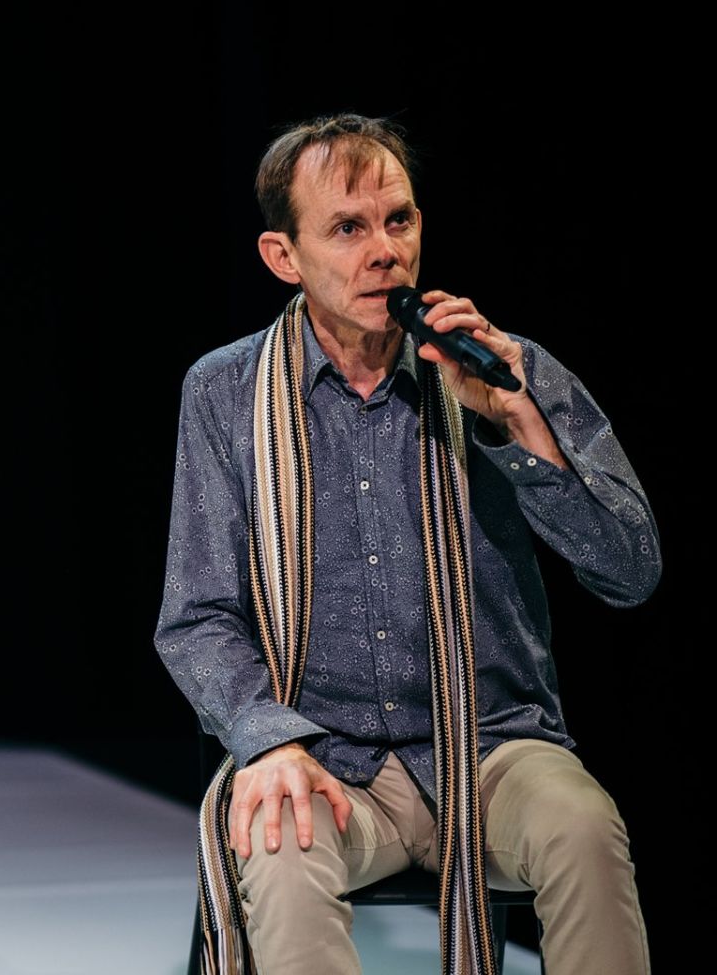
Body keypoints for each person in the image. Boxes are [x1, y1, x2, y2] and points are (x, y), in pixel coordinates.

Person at [155, 114, 659, 974]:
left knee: (581, 825)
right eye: (348, 229)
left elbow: (629, 571)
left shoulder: (503, 367)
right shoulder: (225, 391)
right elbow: (196, 617)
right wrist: (267, 736)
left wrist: (515, 425)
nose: (384, 250)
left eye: (400, 220)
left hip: (492, 748)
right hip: (326, 758)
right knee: (274, 845)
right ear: (285, 256)